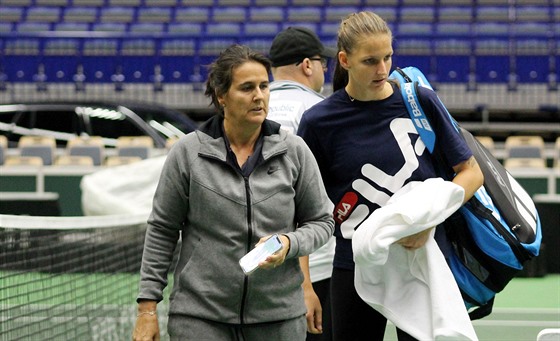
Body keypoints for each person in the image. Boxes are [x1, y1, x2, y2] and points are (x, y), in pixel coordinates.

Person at [297, 11, 484, 341]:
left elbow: (471, 173)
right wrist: (306, 285)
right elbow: (301, 210)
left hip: (421, 261)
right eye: (370, 61)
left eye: (387, 58)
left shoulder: (418, 101)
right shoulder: (318, 122)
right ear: (345, 60)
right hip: (355, 266)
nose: (382, 70)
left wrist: (427, 221)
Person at [132, 44, 335, 341]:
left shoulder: (294, 151)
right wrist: (147, 309)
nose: (259, 96)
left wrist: (289, 243)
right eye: (247, 88)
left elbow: (322, 222)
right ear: (221, 96)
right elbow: (162, 230)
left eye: (264, 86)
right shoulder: (188, 153)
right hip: (200, 317)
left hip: (279, 318)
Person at [267, 26, 336, 341]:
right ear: (309, 65)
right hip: (317, 266)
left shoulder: (250, 106)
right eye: (324, 63)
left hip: (256, 258)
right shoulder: (321, 112)